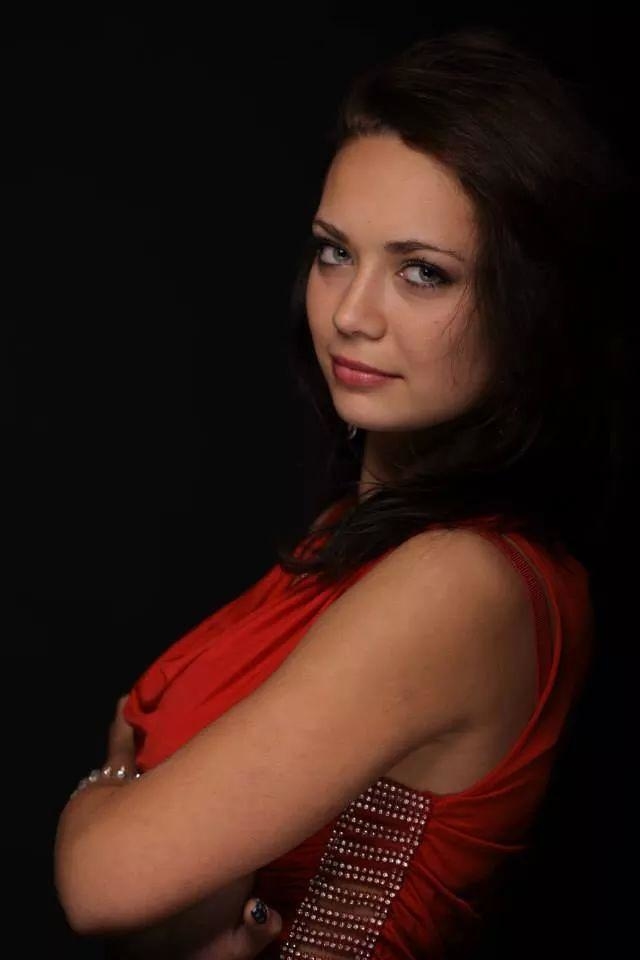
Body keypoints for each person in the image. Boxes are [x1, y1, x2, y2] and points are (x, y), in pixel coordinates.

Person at [54, 25, 629, 960]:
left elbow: (105, 884)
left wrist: (107, 781)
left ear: (534, 308)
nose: (351, 315)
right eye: (334, 253)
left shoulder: (463, 582)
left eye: (423, 272)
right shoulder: (358, 536)